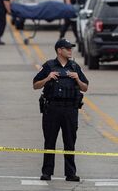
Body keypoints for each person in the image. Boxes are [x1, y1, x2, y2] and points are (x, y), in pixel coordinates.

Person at [33, 39, 89, 182]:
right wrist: (47, 78)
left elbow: (85, 87)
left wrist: (77, 79)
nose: (70, 51)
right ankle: (47, 172)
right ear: (59, 50)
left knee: (70, 142)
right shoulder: (49, 66)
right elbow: (35, 85)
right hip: (52, 109)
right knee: (50, 141)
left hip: (70, 109)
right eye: (68, 49)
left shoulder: (75, 67)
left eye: (71, 49)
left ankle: (70, 173)